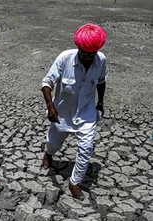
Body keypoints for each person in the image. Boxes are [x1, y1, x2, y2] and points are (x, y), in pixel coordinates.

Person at [41, 23, 107, 200]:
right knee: (53, 143)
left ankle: (75, 182)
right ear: (78, 47)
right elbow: (47, 82)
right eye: (84, 53)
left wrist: (100, 103)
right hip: (62, 112)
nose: (87, 57)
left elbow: (101, 82)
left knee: (86, 148)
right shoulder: (64, 58)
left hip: (86, 112)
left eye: (91, 54)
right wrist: (50, 106)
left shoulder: (101, 60)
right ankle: (48, 154)